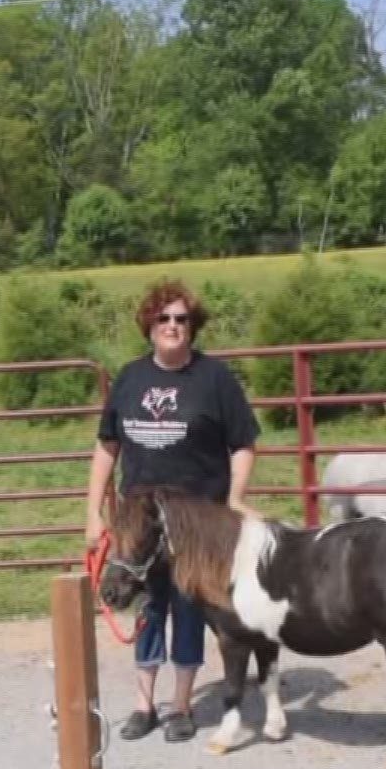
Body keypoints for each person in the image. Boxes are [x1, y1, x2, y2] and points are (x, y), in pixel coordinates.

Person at [84, 280, 259, 742]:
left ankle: (181, 705)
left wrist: (236, 498)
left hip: (196, 523)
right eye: (164, 319)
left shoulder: (215, 379)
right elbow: (107, 447)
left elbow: (243, 444)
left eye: (181, 319)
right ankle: (144, 705)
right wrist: (93, 513)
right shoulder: (130, 378)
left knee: (188, 608)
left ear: (192, 326)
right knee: (148, 605)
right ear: (149, 325)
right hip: (140, 518)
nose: (173, 327)